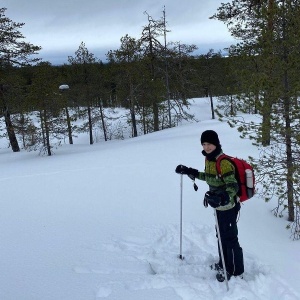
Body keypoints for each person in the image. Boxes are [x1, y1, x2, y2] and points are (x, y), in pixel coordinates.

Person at [175, 129, 244, 282]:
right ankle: (223, 264)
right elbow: (209, 178)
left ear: (216, 144)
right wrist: (190, 171)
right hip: (218, 206)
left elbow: (233, 186)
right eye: (204, 144)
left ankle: (235, 271)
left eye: (209, 144)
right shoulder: (209, 160)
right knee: (220, 235)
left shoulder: (223, 162)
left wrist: (223, 195)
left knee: (230, 238)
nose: (206, 147)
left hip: (229, 207)